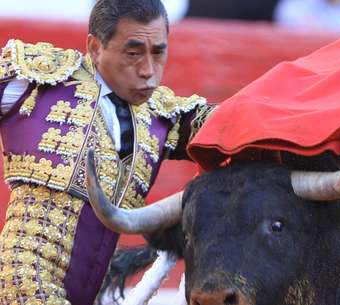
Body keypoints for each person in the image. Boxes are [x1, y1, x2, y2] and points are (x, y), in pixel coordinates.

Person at [0, 0, 215, 304]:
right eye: (132, 53)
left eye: (158, 52)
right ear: (95, 47)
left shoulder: (163, 116)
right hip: (19, 288)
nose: (148, 71)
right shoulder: (39, 78)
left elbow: (232, 126)